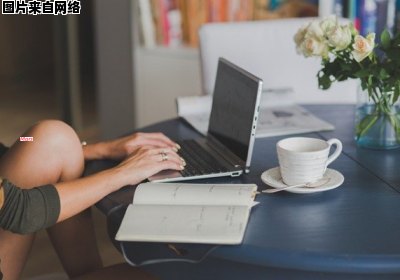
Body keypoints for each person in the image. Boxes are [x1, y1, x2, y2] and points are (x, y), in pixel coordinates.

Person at [0, 120, 186, 280]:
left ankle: (89, 273)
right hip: (18, 208)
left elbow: (20, 143)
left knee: (52, 136)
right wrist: (123, 173)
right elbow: (20, 208)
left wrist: (97, 149)